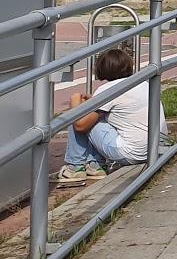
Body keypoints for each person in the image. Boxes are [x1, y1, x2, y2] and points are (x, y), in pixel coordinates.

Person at [58, 47, 165, 185]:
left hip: (132, 153)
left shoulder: (108, 90)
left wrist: (75, 102)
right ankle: (95, 165)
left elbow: (80, 126)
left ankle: (75, 166)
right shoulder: (141, 83)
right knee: (97, 114)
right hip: (156, 147)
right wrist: (93, 100)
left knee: (79, 115)